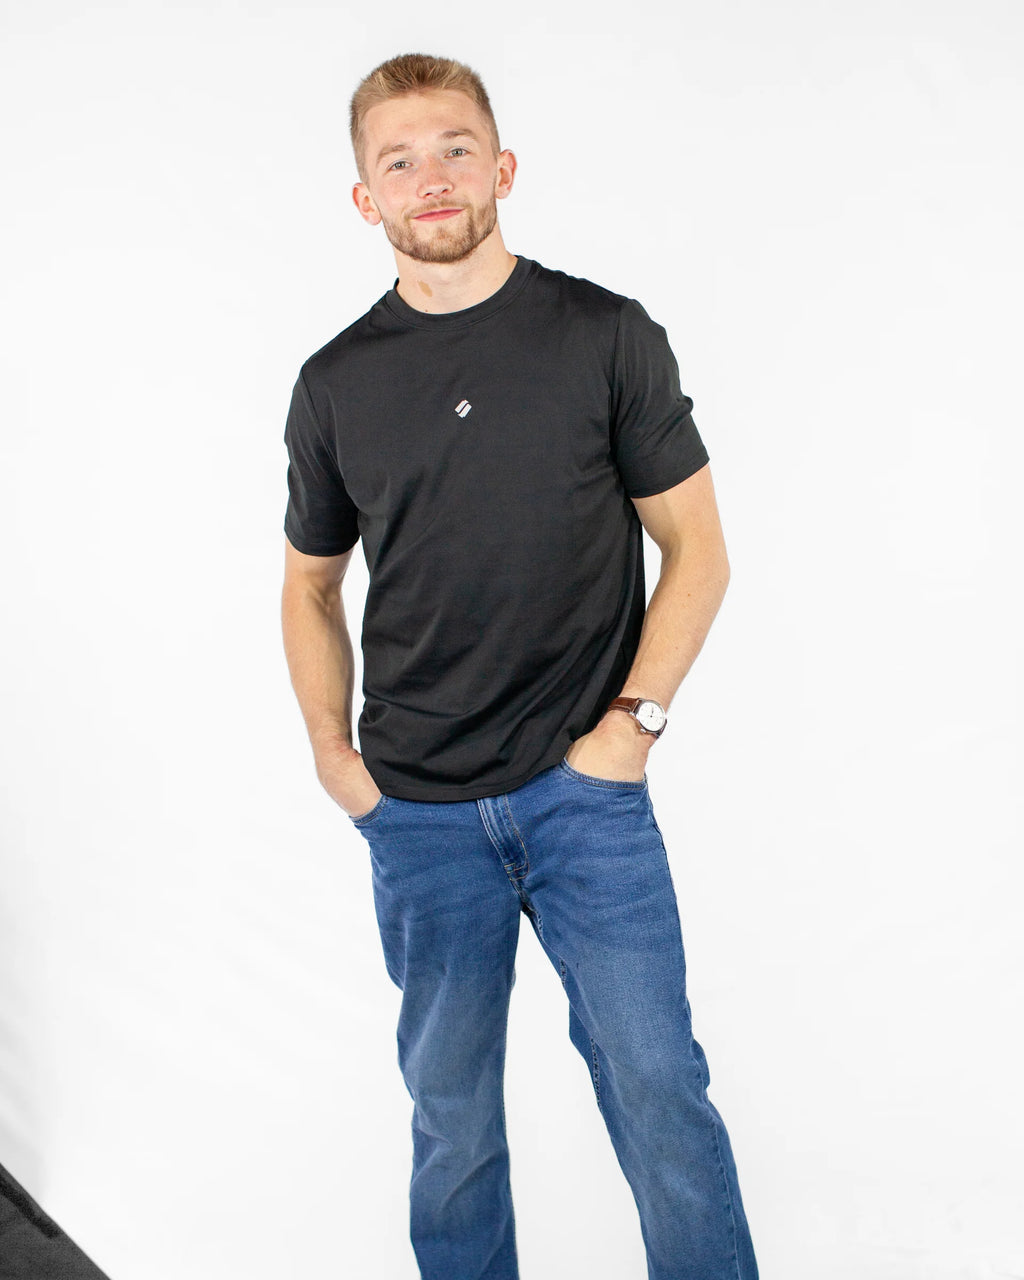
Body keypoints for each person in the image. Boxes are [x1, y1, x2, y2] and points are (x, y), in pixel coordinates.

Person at [280, 51, 759, 1280]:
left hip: (583, 798)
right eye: (397, 159)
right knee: (450, 1125)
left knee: (661, 1095)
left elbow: (696, 549)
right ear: (363, 198)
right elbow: (310, 582)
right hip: (419, 813)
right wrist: (337, 759)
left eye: (452, 148)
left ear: (501, 167)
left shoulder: (602, 335)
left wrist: (629, 730)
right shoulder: (335, 385)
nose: (428, 177)